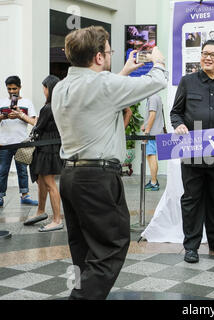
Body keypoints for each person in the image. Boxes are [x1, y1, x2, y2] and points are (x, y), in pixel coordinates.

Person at [52, 26, 167, 300]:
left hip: (69, 176)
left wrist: (124, 72)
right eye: (108, 52)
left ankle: (82, 291)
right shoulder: (104, 85)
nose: (110, 56)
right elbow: (156, 82)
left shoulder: (61, 87)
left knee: (82, 249)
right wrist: (158, 61)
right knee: (111, 246)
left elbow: (96, 94)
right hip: (98, 178)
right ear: (99, 57)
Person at [171, 40, 214, 263]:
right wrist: (178, 125)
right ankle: (191, 246)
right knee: (191, 200)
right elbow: (176, 112)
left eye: (213, 54)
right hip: (192, 152)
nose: (207, 58)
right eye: (204, 53)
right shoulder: (188, 81)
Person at [21, 75, 64, 232]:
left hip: (46, 148)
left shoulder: (48, 108)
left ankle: (57, 219)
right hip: (52, 147)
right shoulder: (59, 106)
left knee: (50, 183)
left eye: (44, 88)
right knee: (41, 180)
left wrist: (25, 117)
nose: (43, 91)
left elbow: (38, 127)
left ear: (49, 89)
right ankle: (40, 211)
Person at [0, 76, 39, 208]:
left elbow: (34, 122)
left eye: (14, 88)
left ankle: (25, 195)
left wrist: (20, 115)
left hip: (21, 142)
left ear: (20, 87)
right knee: (2, 170)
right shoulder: (1, 102)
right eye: (9, 89)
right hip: (4, 143)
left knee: (22, 170)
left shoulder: (27, 102)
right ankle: (0, 196)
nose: (12, 91)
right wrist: (2, 116)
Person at [142, 93, 165, 191]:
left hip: (152, 133)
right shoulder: (156, 97)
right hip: (155, 132)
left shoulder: (152, 98)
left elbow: (152, 115)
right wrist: (145, 125)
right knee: (151, 156)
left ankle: (154, 183)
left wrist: (147, 132)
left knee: (151, 156)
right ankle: (153, 181)